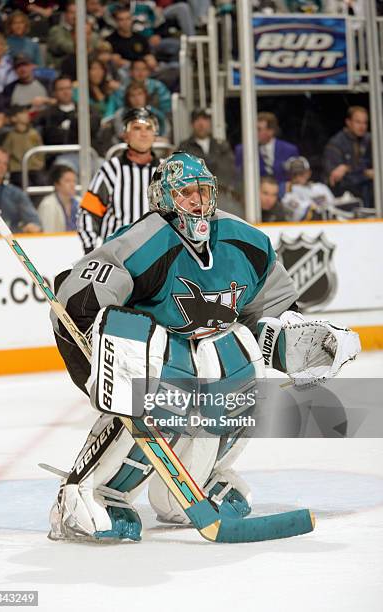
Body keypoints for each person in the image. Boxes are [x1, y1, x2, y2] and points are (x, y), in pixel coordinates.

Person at [48, 150, 360, 542]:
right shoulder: (142, 244)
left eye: (204, 191)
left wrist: (293, 342)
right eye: (186, 193)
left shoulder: (245, 242)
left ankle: (188, 489)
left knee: (239, 360)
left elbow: (268, 314)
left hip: (201, 363)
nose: (198, 202)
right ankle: (90, 491)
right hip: (153, 368)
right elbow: (73, 304)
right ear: (163, 198)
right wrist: (106, 362)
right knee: (157, 371)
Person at [77, 106, 160, 253]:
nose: (143, 133)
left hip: (156, 258)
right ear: (125, 134)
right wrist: (90, 249)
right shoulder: (111, 170)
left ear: (155, 134)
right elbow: (87, 213)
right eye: (136, 128)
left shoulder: (166, 172)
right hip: (117, 257)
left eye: (148, 128)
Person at [0, 147, 41, 234]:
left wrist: (30, 227)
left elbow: (35, 223)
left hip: (8, 242)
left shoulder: (15, 194)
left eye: (5, 164)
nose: (1, 167)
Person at [323, 106, 373, 208]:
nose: (362, 126)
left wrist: (347, 168)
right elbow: (335, 178)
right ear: (348, 122)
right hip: (343, 197)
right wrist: (364, 173)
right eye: (358, 122)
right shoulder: (336, 143)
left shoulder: (370, 139)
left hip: (369, 195)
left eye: (365, 123)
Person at [235, 112, 299, 191]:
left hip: (285, 196)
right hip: (255, 195)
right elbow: (237, 178)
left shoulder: (289, 150)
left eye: (258, 129)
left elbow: (297, 178)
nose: (253, 132)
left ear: (271, 131)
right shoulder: (242, 150)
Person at [178, 108, 236, 190]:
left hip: (220, 194)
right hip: (195, 194)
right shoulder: (184, 147)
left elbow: (228, 171)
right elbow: (184, 174)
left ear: (210, 123)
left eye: (205, 119)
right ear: (192, 124)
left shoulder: (222, 146)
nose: (201, 124)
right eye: (197, 120)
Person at [105, 58, 171, 119]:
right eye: (137, 69)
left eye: (144, 69)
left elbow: (167, 108)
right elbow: (112, 111)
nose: (140, 72)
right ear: (130, 72)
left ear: (148, 72)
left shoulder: (158, 86)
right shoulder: (122, 88)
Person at [2, 104, 45, 187]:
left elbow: (40, 151)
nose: (26, 115)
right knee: (22, 183)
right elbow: (6, 152)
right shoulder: (11, 136)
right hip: (17, 170)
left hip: (34, 168)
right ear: (14, 118)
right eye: (22, 113)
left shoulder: (34, 134)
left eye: (26, 112)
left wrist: (39, 163)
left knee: (41, 183)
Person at [282, 156, 335, 221]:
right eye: (294, 174)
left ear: (308, 173)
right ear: (288, 175)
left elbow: (334, 207)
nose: (298, 177)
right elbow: (300, 214)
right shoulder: (288, 194)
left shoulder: (321, 187)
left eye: (301, 173)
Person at [37, 165, 79, 232]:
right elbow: (48, 234)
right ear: (57, 184)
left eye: (74, 181)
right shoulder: (48, 205)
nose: (72, 185)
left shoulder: (80, 202)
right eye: (67, 181)